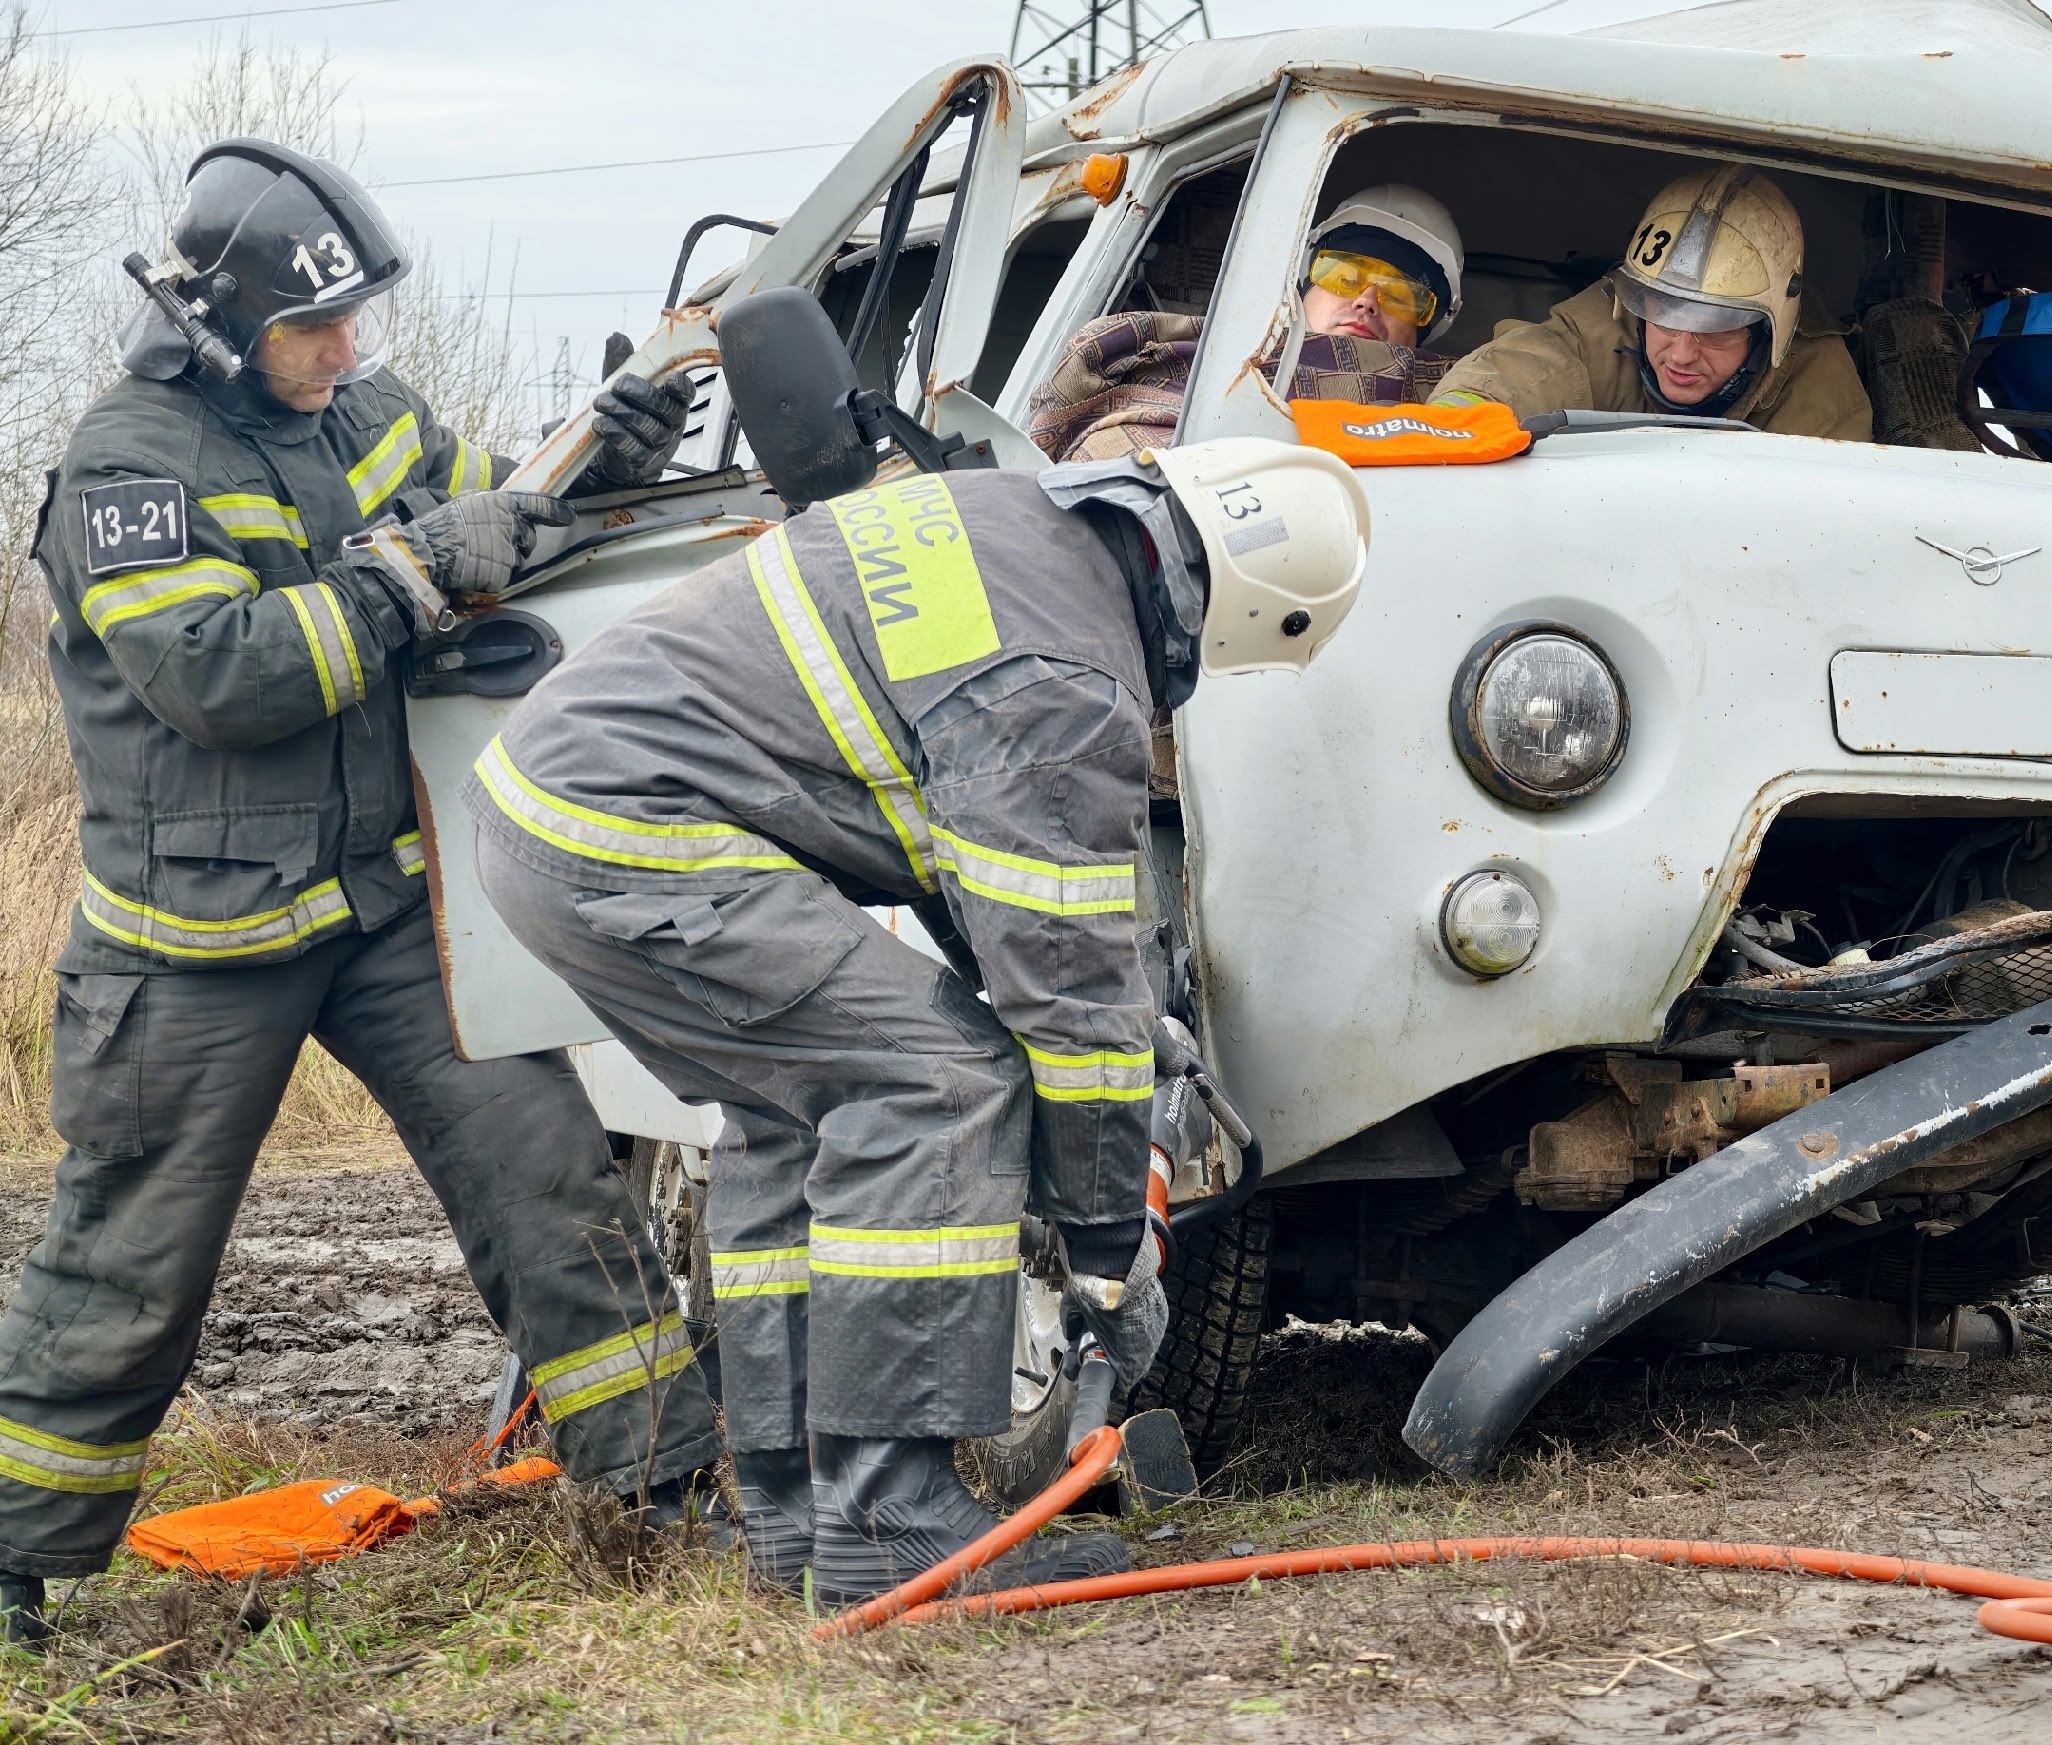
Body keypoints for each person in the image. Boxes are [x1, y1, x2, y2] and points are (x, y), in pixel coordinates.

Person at [0, 138, 721, 1641]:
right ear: (215, 327)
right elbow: (218, 679)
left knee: (551, 1179)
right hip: (195, 947)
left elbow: (500, 514)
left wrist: (606, 455)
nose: (348, 349)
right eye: (314, 326)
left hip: (384, 913)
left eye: (356, 319)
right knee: (130, 1262)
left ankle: (667, 1491)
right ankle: (15, 1557)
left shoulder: (362, 412)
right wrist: (408, 582)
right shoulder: (127, 467)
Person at [468, 424, 1368, 1604]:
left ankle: (797, 1510)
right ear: (1244, 617)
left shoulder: (1002, 523)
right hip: (632, 834)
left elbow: (970, 877)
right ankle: (889, 1514)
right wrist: (1110, 1254)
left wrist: (1124, 1025)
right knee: (934, 1083)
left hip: (550, 811)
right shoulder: (1062, 682)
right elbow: (1063, 998)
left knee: (797, 1115)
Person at [1027, 183, 1466, 462]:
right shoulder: (1188, 365)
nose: (1367, 301)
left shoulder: (1456, 412)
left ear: (1426, 331)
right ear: (1302, 287)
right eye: (1344, 275)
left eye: (1402, 295)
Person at [1432, 164, 1872, 440]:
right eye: (1663, 315)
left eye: (1716, 330)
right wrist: (1452, 425)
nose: (1680, 355)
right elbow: (1524, 367)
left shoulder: (1824, 402)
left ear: (1769, 331)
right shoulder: (1607, 321)